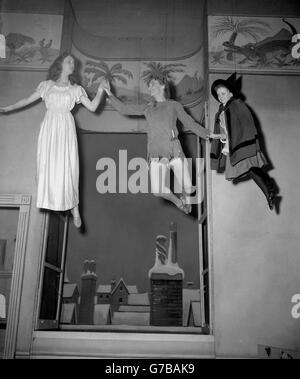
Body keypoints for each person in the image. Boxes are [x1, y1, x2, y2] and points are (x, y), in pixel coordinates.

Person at [0, 52, 105, 227]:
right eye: (69, 61)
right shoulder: (47, 86)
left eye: (73, 62)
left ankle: (74, 207)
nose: (73, 64)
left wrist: (101, 89)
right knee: (46, 164)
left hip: (65, 126)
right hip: (49, 127)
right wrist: (6, 108)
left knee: (68, 166)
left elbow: (93, 107)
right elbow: (27, 99)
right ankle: (50, 198)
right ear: (60, 65)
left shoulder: (75, 89)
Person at [101, 76, 223, 214]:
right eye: (149, 85)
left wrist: (210, 134)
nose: (150, 87)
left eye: (153, 84)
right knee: (158, 191)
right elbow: (125, 109)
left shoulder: (173, 105)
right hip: (156, 154)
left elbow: (190, 123)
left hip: (174, 151)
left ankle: (185, 195)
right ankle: (178, 203)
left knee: (189, 188)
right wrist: (109, 93)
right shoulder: (148, 107)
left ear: (163, 86)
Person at [210, 74, 277, 210]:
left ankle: (269, 189)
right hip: (232, 145)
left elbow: (247, 123)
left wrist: (248, 140)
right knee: (249, 169)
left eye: (223, 93)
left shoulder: (237, 104)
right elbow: (226, 131)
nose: (221, 97)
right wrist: (217, 136)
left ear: (231, 93)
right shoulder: (221, 112)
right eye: (218, 95)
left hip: (242, 142)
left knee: (250, 168)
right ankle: (269, 191)